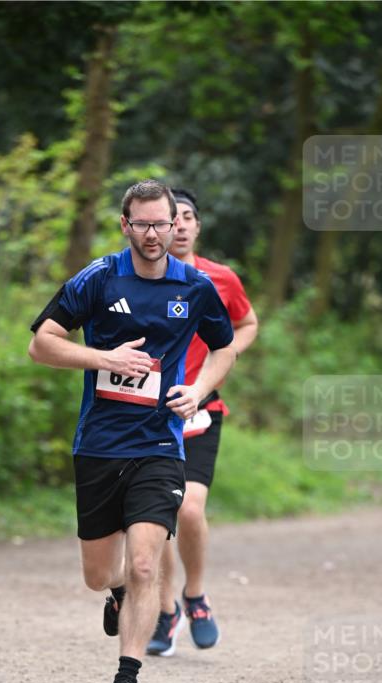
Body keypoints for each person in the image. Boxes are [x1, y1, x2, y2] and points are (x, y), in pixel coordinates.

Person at [28, 180, 235, 683]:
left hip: (160, 444)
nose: (152, 233)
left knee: (145, 561)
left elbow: (225, 347)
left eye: (161, 223)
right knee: (99, 574)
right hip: (100, 444)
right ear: (125, 225)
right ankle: (114, 590)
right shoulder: (99, 278)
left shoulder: (194, 286)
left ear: (175, 225)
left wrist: (199, 390)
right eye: (141, 224)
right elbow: (41, 343)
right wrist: (104, 358)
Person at [146, 188, 258, 656]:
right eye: (174, 218)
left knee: (189, 509)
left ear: (197, 225)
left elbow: (247, 324)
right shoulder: (140, 278)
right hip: (149, 412)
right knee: (157, 517)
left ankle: (195, 596)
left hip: (202, 410)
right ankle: (166, 610)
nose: (182, 225)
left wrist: (224, 356)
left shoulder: (220, 278)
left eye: (189, 216)